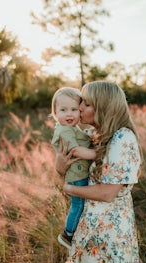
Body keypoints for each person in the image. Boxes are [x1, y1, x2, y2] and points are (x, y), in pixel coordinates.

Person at [55, 81, 142, 263]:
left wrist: (69, 189)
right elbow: (68, 171)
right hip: (90, 229)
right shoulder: (97, 135)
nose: (80, 107)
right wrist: (61, 166)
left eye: (86, 103)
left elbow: (107, 193)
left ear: (102, 106)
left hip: (110, 233)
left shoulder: (122, 138)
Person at [51, 87, 96, 250]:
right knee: (78, 205)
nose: (69, 114)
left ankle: (75, 232)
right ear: (55, 113)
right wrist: (98, 154)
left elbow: (82, 138)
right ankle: (68, 234)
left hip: (79, 172)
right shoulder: (64, 130)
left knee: (80, 204)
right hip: (76, 175)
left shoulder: (72, 128)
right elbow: (75, 150)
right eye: (63, 110)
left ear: (80, 111)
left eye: (74, 109)